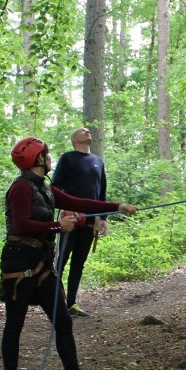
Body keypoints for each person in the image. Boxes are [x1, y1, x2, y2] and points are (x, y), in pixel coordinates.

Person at [0, 136, 137, 370]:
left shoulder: (46, 188)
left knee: (63, 322)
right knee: (14, 324)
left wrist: (117, 207)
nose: (50, 158)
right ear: (38, 159)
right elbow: (20, 225)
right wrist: (56, 226)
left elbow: (80, 203)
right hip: (19, 264)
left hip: (41, 265)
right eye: (47, 154)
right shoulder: (20, 188)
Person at [50, 127, 107, 318]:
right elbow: (54, 187)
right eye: (82, 131)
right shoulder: (68, 158)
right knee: (61, 262)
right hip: (70, 219)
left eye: (88, 130)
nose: (87, 131)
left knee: (78, 263)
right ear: (75, 139)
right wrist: (67, 209)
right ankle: (55, 303)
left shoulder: (98, 162)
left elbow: (101, 194)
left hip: (90, 223)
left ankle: (72, 304)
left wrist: (103, 217)